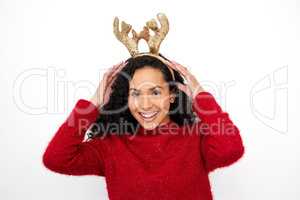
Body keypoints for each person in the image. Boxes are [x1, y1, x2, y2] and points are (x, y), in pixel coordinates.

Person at [42, 13, 245, 200]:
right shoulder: (111, 145)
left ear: (173, 95)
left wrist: (200, 96)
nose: (145, 104)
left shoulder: (194, 137)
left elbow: (231, 149)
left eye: (155, 92)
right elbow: (56, 159)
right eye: (135, 93)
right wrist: (93, 104)